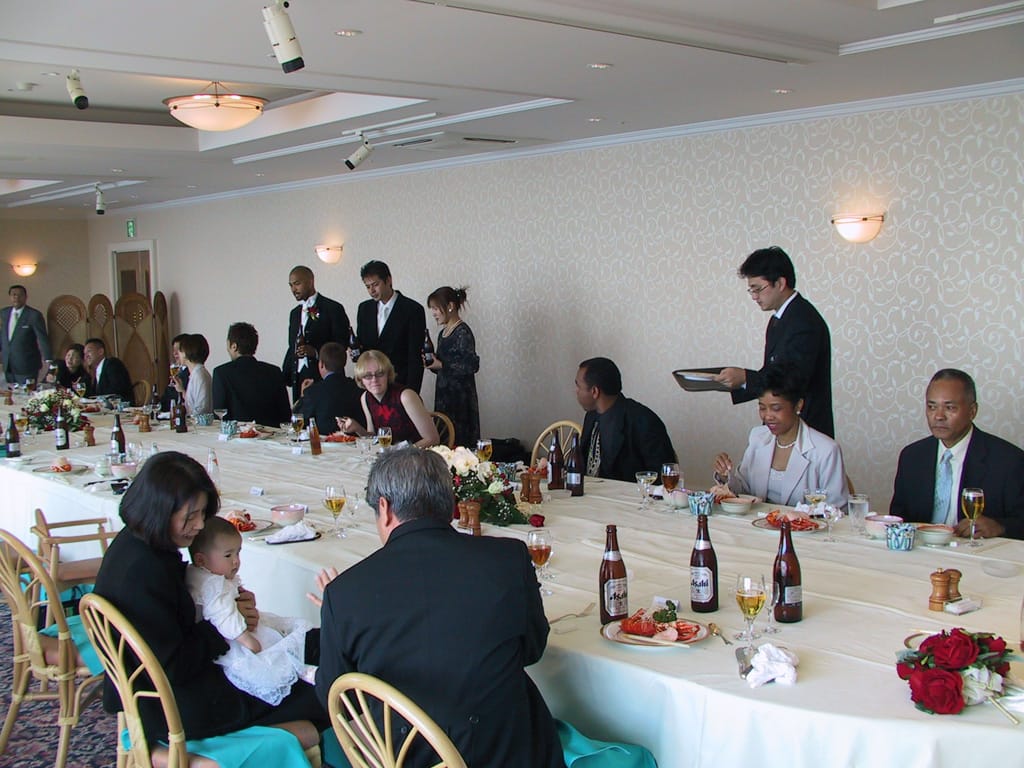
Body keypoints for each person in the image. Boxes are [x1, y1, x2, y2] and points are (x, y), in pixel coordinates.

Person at [311, 447, 565, 767]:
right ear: (451, 506)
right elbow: (532, 650)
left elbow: (338, 701)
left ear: (385, 509)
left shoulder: (344, 594)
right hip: (504, 754)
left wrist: (340, 623)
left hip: (404, 758)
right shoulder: (509, 558)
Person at [92, 451, 326, 748]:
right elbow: (173, 664)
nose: (200, 525)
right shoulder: (145, 572)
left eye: (203, 514)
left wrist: (231, 610)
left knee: (313, 643)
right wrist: (225, 625)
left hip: (167, 685)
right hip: (170, 704)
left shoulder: (138, 543)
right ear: (159, 510)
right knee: (324, 686)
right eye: (190, 516)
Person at [186, 517, 315, 706]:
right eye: (228, 555)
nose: (236, 561)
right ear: (200, 559)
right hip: (232, 638)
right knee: (272, 650)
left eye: (238, 553)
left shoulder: (197, 573)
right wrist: (247, 640)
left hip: (222, 634)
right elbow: (224, 616)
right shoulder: (214, 584)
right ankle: (299, 670)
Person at [714, 246, 835, 438]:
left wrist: (745, 379)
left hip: (806, 429)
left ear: (780, 283)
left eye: (758, 289)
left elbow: (791, 378)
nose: (754, 296)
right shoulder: (779, 319)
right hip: (783, 428)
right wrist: (735, 382)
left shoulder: (803, 320)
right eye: (751, 290)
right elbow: (773, 372)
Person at [890, 369, 1024, 539]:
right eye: (932, 407)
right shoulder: (912, 457)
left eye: (950, 407)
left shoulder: (1008, 461)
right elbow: (899, 519)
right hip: (921, 552)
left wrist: (1000, 527)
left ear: (972, 411)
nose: (938, 416)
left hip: (976, 554)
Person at [713, 367, 847, 507]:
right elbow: (744, 491)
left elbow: (837, 510)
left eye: (776, 408)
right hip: (758, 525)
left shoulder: (826, 450)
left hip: (802, 527)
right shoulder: (758, 437)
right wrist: (725, 476)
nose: (768, 416)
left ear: (798, 405)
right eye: (762, 408)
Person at [575, 357, 676, 483]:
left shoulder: (644, 421)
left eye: (578, 386)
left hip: (630, 499)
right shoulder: (591, 416)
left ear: (594, 391)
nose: (576, 391)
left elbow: (664, 475)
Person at [337, 351, 439, 447]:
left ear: (388, 374)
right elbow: (374, 438)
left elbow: (432, 439)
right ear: (361, 380)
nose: (374, 380)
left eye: (380, 373)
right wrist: (357, 428)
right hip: (390, 457)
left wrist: (397, 454)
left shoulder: (406, 396)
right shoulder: (365, 398)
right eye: (368, 376)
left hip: (416, 457)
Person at [355, 260, 426, 393]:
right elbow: (364, 348)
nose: (372, 291)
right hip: (371, 385)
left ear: (388, 280)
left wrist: (412, 392)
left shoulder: (412, 309)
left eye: (376, 284)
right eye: (367, 286)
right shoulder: (364, 309)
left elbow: (415, 357)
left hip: (400, 383)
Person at [282, 266, 350, 396]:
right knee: (300, 413)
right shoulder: (294, 314)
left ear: (311, 281)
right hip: (298, 377)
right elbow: (291, 346)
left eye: (297, 284)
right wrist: (285, 374)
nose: (293, 289)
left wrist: (315, 352)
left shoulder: (333, 308)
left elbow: (341, 344)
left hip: (325, 378)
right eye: (290, 285)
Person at [424, 286, 480, 447]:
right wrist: (433, 364)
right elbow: (445, 367)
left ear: (450, 306)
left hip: (461, 398)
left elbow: (471, 365)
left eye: (435, 308)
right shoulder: (442, 334)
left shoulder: (463, 332)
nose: (433, 313)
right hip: (444, 396)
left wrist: (441, 364)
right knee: (444, 439)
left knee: (460, 443)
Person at [212, 323, 291, 427]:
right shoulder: (274, 371)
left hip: (236, 437)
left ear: (234, 346)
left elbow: (219, 414)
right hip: (272, 436)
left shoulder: (221, 373)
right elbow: (285, 414)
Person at [298, 341, 363, 435]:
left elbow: (300, 422)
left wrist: (303, 396)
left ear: (321, 364)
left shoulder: (312, 392)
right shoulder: (358, 388)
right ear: (344, 363)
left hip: (324, 445)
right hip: (355, 442)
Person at [1, 284, 50, 384]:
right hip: (8, 364)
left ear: (26, 297)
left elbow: (42, 338)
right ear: (10, 297)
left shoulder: (34, 315)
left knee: (27, 395)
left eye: (20, 295)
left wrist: (48, 359)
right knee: (11, 395)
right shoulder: (3, 313)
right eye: (14, 295)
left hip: (27, 365)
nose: (17, 297)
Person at [83, 337, 134, 403]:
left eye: (89, 351)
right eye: (84, 353)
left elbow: (116, 390)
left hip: (122, 408)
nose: (86, 356)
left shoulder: (112, 363)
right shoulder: (97, 371)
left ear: (101, 351)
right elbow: (92, 394)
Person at [172, 333, 213, 416]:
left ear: (186, 353)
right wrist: (182, 390)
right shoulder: (195, 373)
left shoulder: (199, 375)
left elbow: (202, 409)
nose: (177, 354)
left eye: (180, 350)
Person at [161, 333, 191, 411]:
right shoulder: (177, 371)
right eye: (173, 350)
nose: (175, 353)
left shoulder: (191, 373)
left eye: (178, 350)